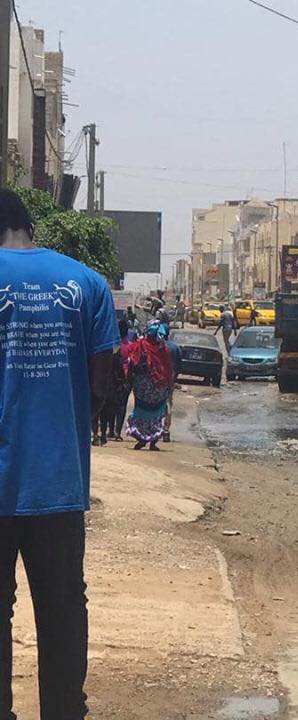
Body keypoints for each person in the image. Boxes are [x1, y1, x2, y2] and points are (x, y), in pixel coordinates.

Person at [0, 187, 119, 718]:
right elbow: (104, 383)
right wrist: (69, 419)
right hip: (59, 481)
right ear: (30, 227)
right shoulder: (87, 284)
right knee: (63, 608)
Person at [125, 321, 174, 451]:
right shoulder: (163, 349)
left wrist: (129, 380)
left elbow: (132, 362)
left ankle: (142, 439)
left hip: (142, 387)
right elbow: (168, 368)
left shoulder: (140, 345)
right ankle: (153, 441)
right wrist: (169, 384)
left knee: (141, 411)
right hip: (159, 386)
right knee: (157, 413)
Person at [162, 330, 182, 443]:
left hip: (158, 377)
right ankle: (166, 430)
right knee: (168, 403)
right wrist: (174, 378)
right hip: (170, 378)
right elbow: (179, 365)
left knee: (157, 403)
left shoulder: (158, 345)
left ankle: (156, 429)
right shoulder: (175, 347)